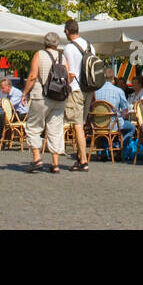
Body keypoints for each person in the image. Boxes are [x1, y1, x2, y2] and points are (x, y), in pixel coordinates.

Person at [23, 32, 67, 173]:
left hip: (41, 95)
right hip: (59, 97)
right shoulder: (62, 57)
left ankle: (37, 158)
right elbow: (69, 76)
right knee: (56, 129)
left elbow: (33, 75)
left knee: (33, 126)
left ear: (45, 42)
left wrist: (25, 93)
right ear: (57, 43)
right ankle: (55, 163)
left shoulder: (39, 55)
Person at [62, 19, 94, 172]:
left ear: (68, 31)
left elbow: (70, 72)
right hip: (89, 88)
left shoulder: (68, 48)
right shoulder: (90, 45)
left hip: (76, 89)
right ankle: (80, 158)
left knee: (77, 125)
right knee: (81, 123)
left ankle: (83, 161)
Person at [92, 67, 135, 151]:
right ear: (113, 79)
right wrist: (120, 115)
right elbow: (125, 110)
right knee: (131, 128)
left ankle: (104, 148)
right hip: (114, 124)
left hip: (97, 125)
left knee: (106, 128)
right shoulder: (118, 91)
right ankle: (118, 146)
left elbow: (91, 106)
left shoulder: (94, 91)